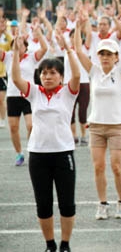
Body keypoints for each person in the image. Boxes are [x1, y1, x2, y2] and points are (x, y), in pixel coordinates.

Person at [11, 34, 80, 252]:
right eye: (44, 73)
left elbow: (77, 74)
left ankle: (65, 244)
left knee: (67, 203)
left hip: (63, 153)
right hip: (38, 155)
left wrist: (68, 49)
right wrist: (15, 53)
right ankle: (50, 245)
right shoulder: (34, 92)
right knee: (43, 203)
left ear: (61, 77)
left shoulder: (68, 92)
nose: (47, 77)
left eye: (53, 73)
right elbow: (15, 79)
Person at [74, 15, 121, 220]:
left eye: (109, 54)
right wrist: (77, 29)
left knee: (116, 166)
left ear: (116, 57)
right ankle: (102, 204)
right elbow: (78, 51)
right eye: (102, 54)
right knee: (98, 166)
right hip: (96, 126)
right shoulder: (93, 71)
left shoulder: (120, 73)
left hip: (116, 125)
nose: (105, 57)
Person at [0, 26, 48, 165]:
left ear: (26, 46)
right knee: (13, 127)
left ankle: (30, 149)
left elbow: (44, 48)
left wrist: (38, 33)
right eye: (16, 40)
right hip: (13, 95)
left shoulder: (32, 57)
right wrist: (6, 34)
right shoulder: (8, 56)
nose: (18, 41)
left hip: (28, 94)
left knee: (31, 126)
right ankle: (19, 153)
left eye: (21, 40)